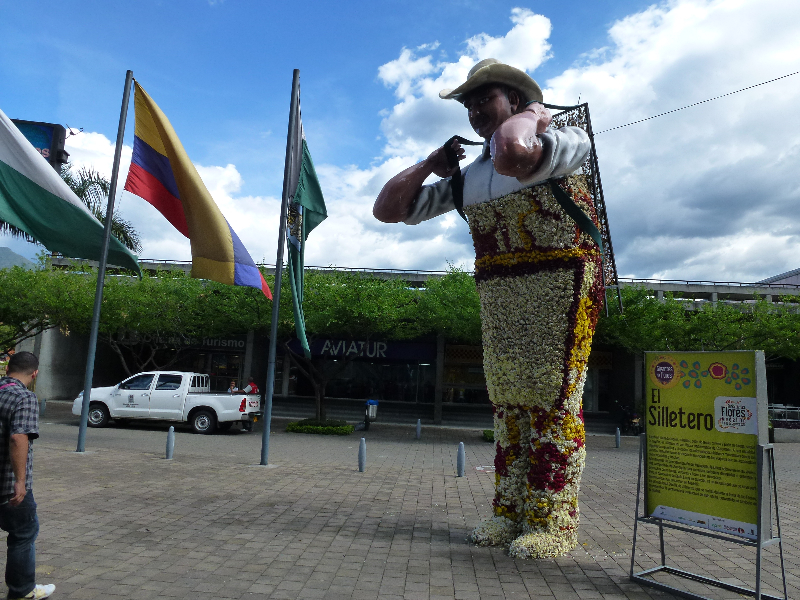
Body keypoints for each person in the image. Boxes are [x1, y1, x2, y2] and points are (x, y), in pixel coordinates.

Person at [373, 59, 603, 559]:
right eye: (469, 104)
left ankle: (552, 519)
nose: (476, 111)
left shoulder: (566, 142)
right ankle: (509, 510)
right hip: (499, 290)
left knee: (554, 400)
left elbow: (514, 153)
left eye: (486, 99)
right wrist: (432, 164)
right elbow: (388, 209)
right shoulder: (468, 177)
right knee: (509, 405)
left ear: (517, 101)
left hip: (561, 284)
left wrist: (537, 117)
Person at [0, 351, 56, 599]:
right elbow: (18, 437)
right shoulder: (24, 397)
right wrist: (20, 482)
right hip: (8, 485)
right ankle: (22, 591)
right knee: (23, 534)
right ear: (34, 374)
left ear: (7, 369)